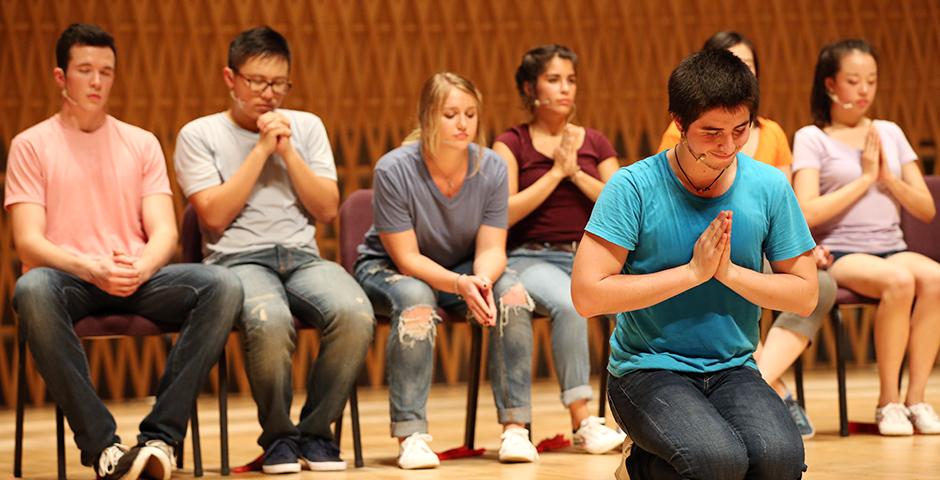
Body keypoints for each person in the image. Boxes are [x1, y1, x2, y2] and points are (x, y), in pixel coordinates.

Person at [6, 23, 242, 480]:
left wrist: (141, 267)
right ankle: (104, 449)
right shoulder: (31, 145)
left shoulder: (140, 142)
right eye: (86, 71)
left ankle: (160, 439)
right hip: (70, 279)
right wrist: (90, 268)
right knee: (31, 289)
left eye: (106, 72)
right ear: (61, 77)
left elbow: (163, 233)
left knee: (223, 285)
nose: (97, 82)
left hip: (135, 275)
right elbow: (28, 240)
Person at [573, 49, 816, 479]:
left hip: (733, 367)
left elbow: (805, 294)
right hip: (646, 369)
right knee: (717, 462)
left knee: (780, 462)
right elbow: (588, 295)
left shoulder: (770, 186)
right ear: (679, 123)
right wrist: (691, 274)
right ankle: (640, 466)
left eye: (740, 130)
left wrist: (729, 274)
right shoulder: (632, 187)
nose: (728, 146)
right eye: (711, 133)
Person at [173, 26, 374, 473]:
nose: (269, 94)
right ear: (231, 78)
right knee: (270, 320)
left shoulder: (307, 126)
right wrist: (261, 150)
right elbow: (213, 216)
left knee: (356, 312)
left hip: (301, 256)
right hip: (236, 259)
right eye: (258, 82)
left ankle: (318, 434)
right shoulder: (199, 134)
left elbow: (326, 208)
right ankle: (279, 437)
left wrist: (287, 153)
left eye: (279, 83)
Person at [354, 72, 538, 469]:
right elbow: (407, 259)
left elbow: (492, 247)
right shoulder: (394, 169)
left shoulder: (490, 167)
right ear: (427, 119)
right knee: (417, 301)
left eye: (470, 114)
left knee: (512, 295)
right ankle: (412, 434)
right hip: (390, 269)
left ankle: (515, 428)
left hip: (465, 267)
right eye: (451, 114)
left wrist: (482, 281)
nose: (462, 123)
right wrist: (461, 283)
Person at [658, 31, 836, 439]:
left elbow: (785, 207)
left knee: (818, 283)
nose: (727, 144)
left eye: (748, 67)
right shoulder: (685, 130)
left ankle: (764, 380)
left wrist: (805, 250)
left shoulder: (771, 133)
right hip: (708, 247)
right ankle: (769, 392)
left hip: (758, 251)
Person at [792, 38, 940, 436]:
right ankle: (887, 401)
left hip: (892, 246)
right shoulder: (812, 137)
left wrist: (887, 177)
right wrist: (865, 179)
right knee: (899, 281)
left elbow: (925, 208)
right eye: (854, 81)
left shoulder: (889, 132)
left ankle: (916, 399)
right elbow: (806, 211)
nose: (864, 91)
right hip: (841, 251)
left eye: (871, 81)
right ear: (830, 85)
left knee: (935, 279)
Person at [492, 44, 626, 453]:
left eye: (570, 80)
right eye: (553, 80)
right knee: (572, 304)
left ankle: (646, 416)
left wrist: (576, 174)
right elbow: (504, 211)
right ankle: (582, 417)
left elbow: (622, 201)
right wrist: (554, 174)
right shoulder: (510, 143)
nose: (565, 88)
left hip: (592, 256)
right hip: (532, 257)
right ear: (531, 88)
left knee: (644, 305)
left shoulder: (596, 143)